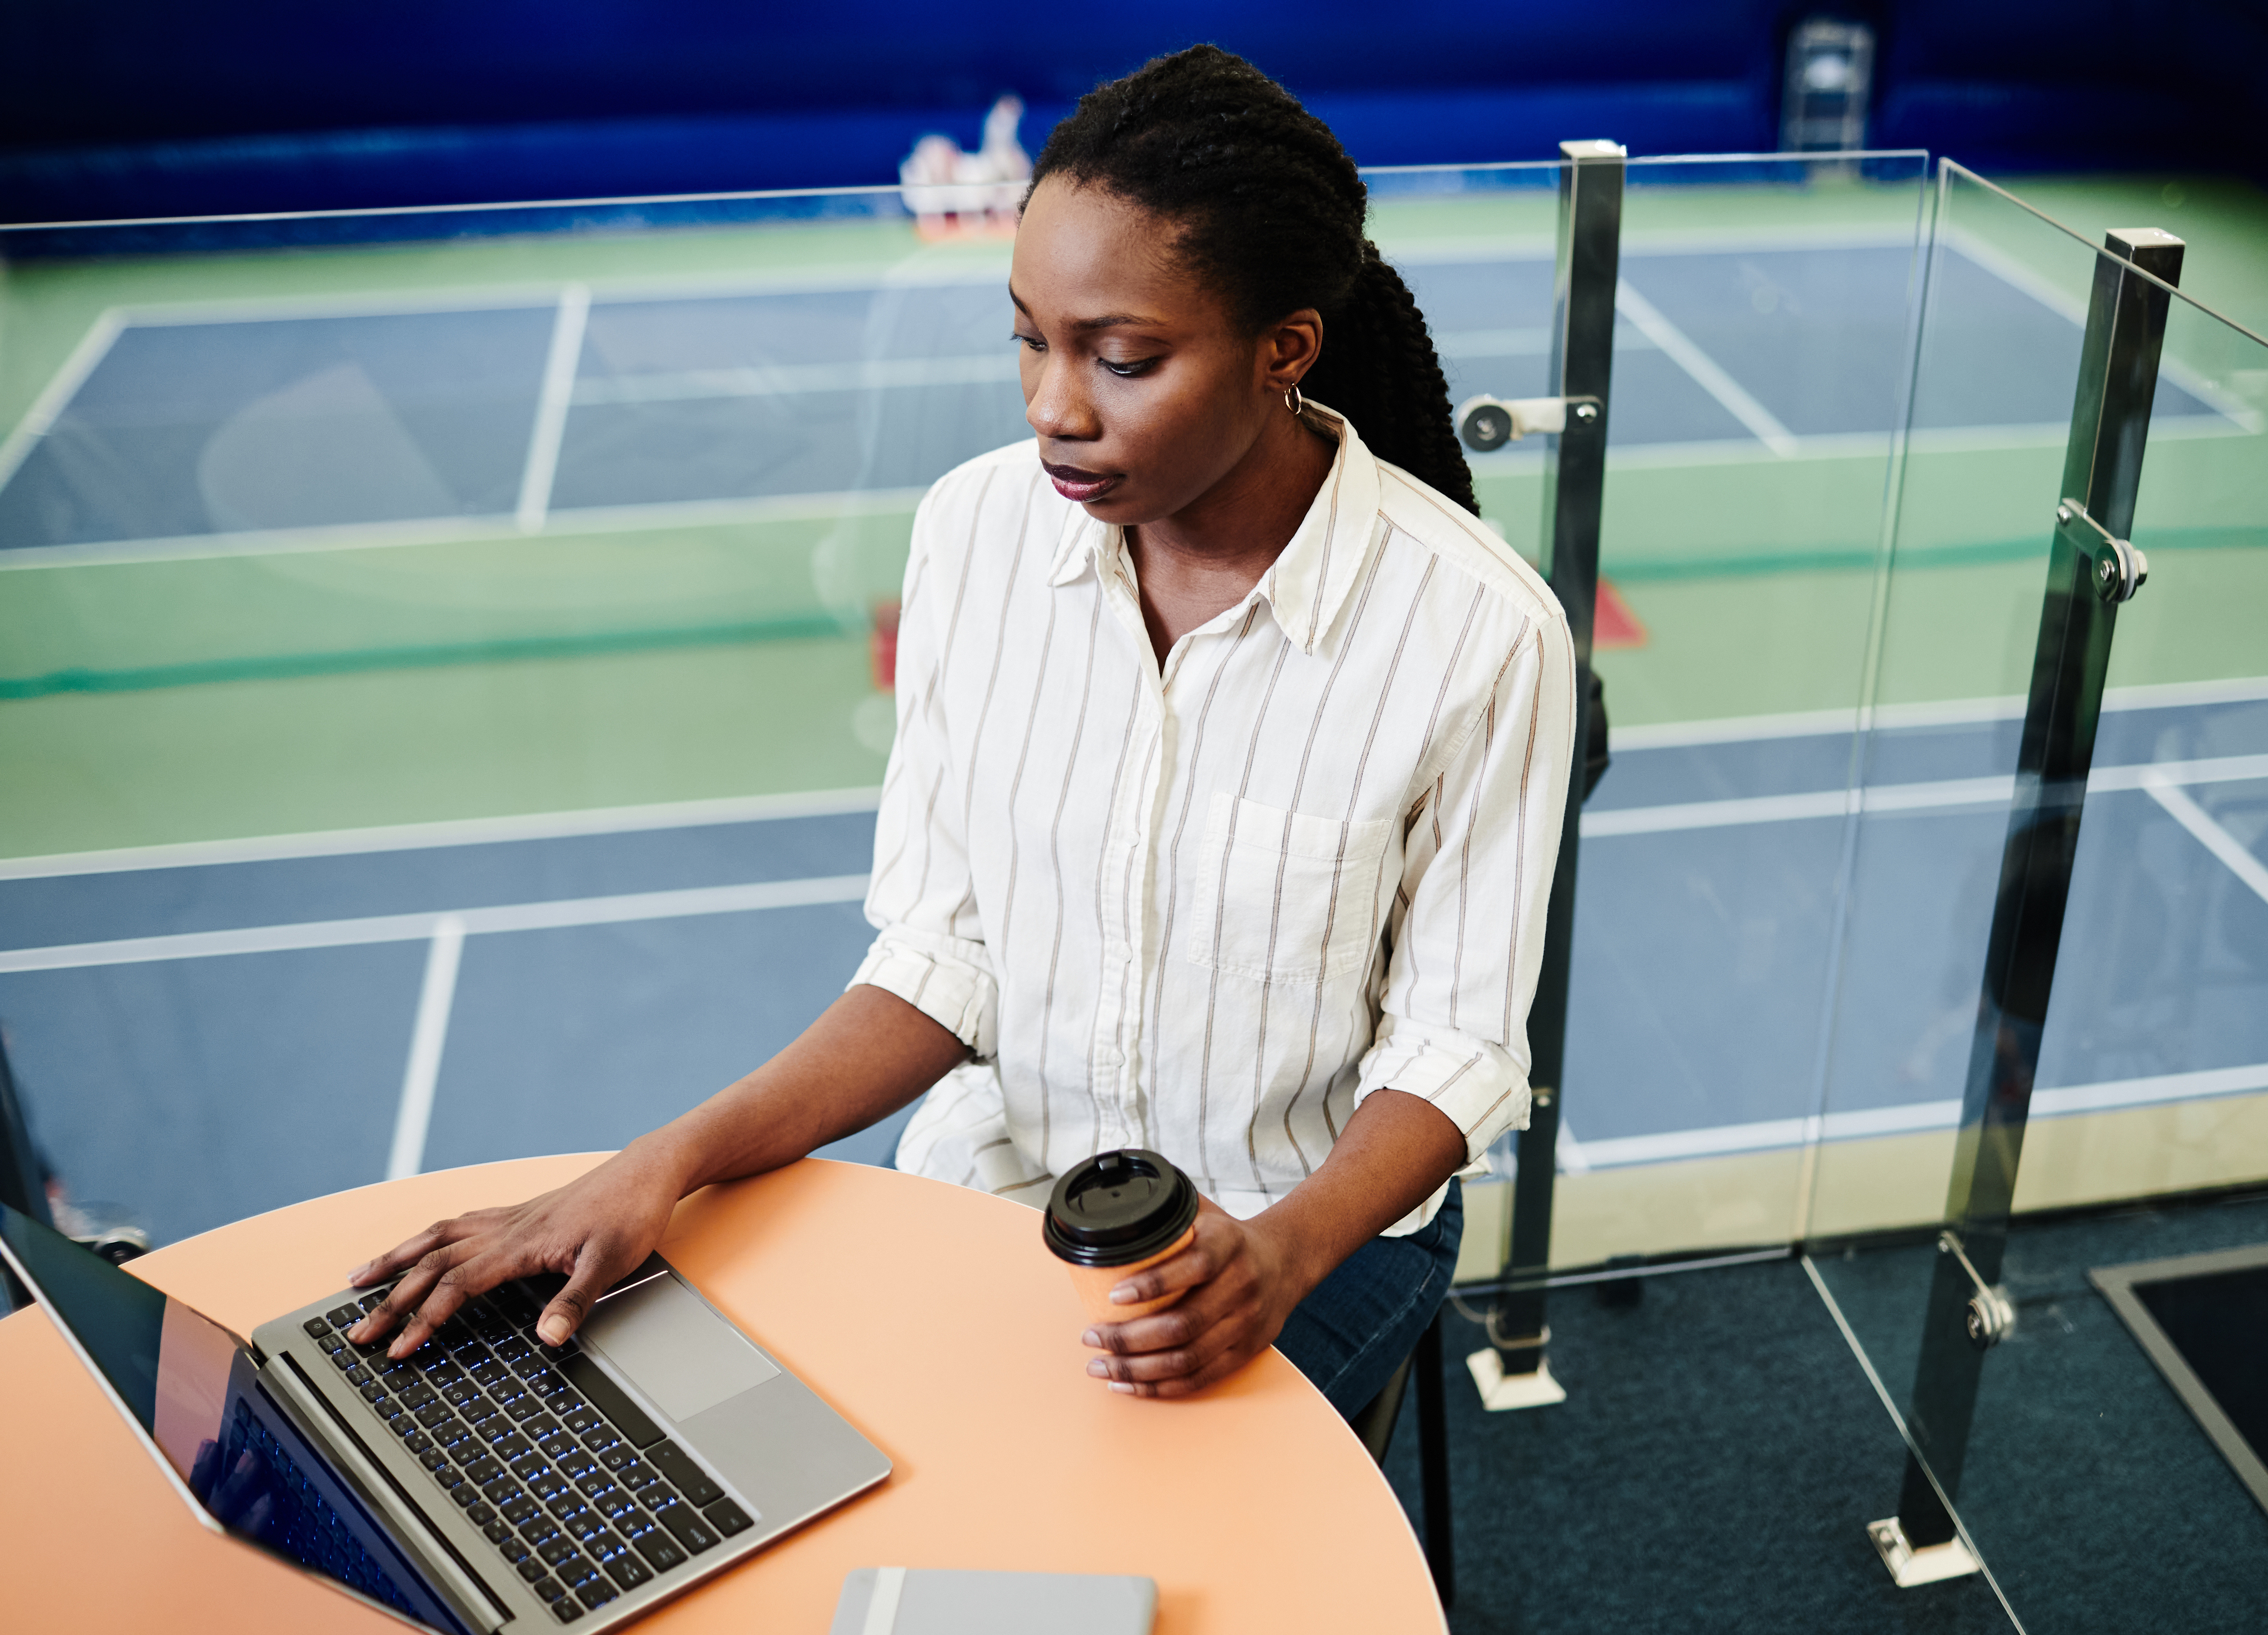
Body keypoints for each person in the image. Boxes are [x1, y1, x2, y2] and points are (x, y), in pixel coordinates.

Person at [348, 45, 1572, 1416]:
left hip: (1311, 1228)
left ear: (1284, 350)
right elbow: (947, 957)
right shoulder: (974, 536)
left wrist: (1276, 1259)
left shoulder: (1481, 630)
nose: (1056, 408)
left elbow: (1455, 1050)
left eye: (1121, 359)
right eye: (1030, 340)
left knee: (1106, 1534)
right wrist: (661, 1161)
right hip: (1006, 1182)